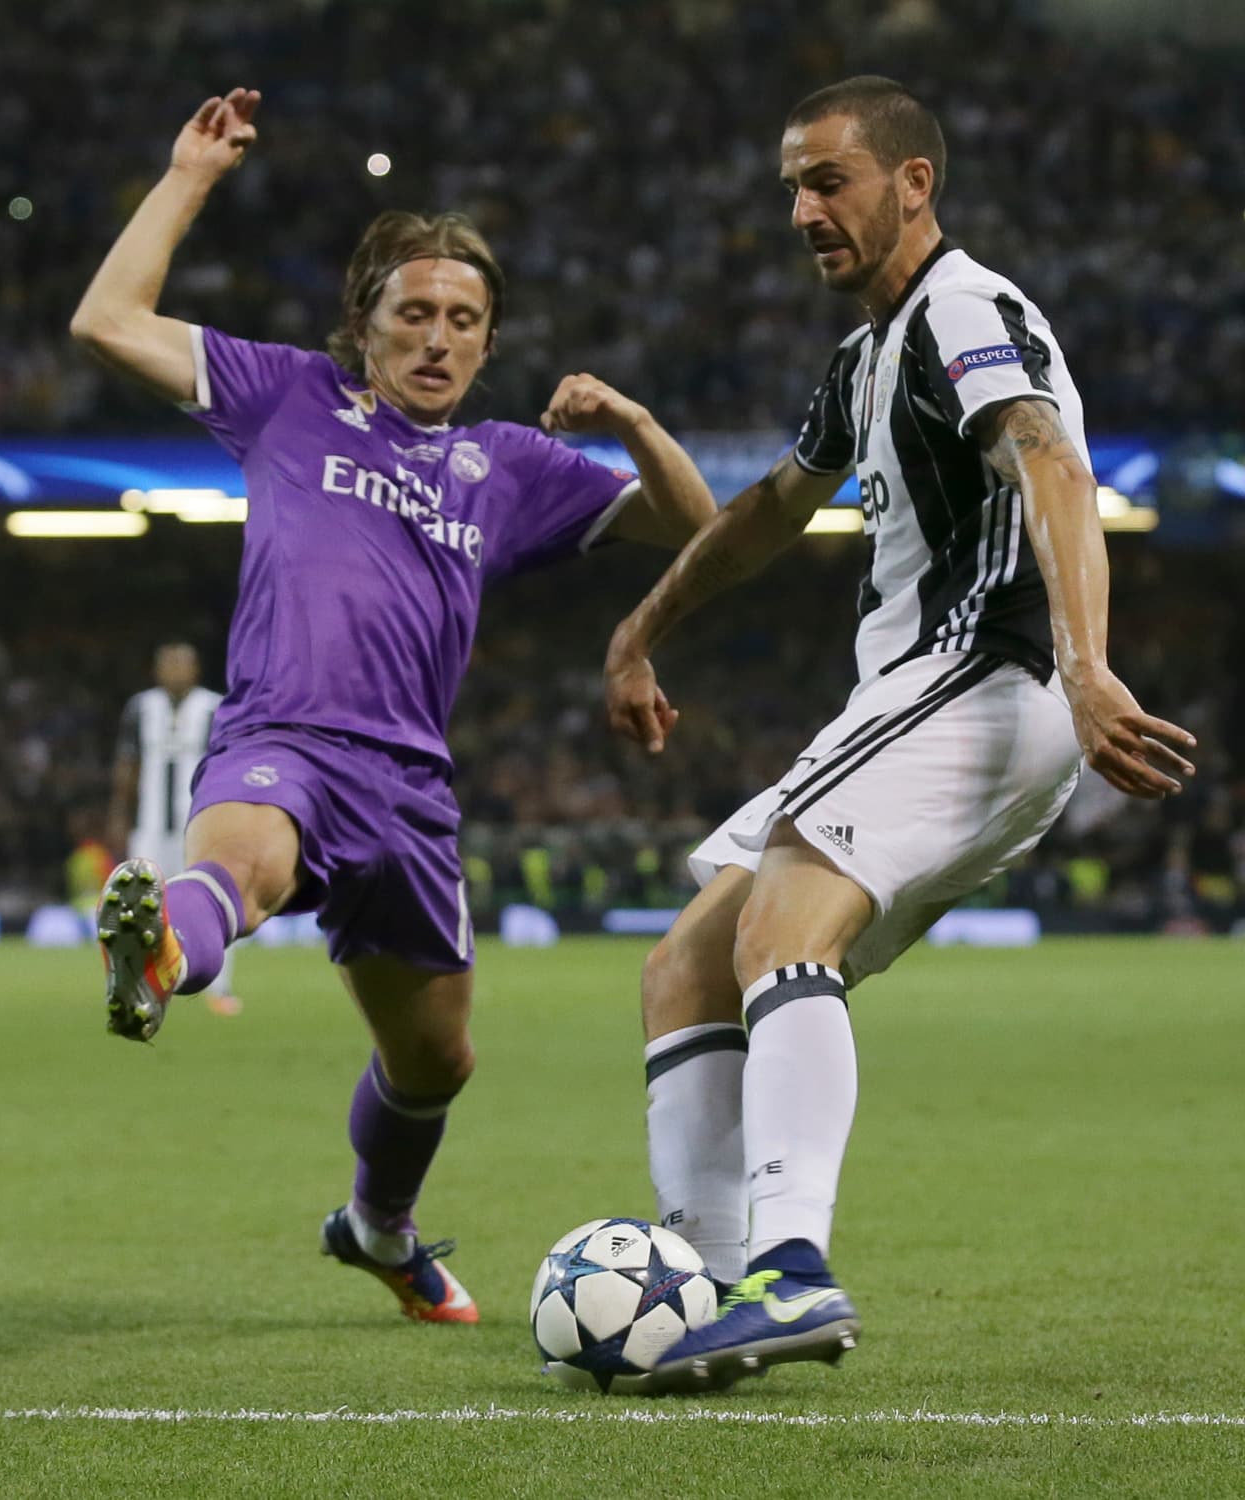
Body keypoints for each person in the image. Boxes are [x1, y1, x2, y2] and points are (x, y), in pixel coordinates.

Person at [71, 88, 715, 1325]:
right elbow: (106, 321)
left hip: (409, 788)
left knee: (436, 1060)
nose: (437, 337)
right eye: (413, 313)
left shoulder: (508, 469)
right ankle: (158, 957)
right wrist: (188, 179)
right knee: (240, 865)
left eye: (462, 321)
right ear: (363, 328)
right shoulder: (286, 397)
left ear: (486, 344)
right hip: (283, 736)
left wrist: (631, 423)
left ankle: (376, 1227)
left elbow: (701, 530)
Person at [602, 76, 1197, 1388]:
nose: (806, 210)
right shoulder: (867, 354)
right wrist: (642, 624)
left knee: (778, 931)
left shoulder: (962, 309)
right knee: (689, 969)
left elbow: (1048, 458)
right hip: (917, 693)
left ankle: (790, 1270)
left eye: (831, 181)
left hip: (987, 674)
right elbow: (769, 506)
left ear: (913, 183)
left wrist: (1090, 669)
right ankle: (707, 1283)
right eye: (794, 188)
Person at [107, 642, 240, 1014]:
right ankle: (139, 986)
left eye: (183, 664)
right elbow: (127, 763)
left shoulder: (214, 707)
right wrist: (119, 815)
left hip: (198, 822)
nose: (176, 670)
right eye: (168, 663)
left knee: (210, 901)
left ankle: (219, 987)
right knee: (139, 905)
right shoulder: (141, 708)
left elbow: (228, 763)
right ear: (156, 669)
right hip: (149, 825)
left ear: (196, 670)